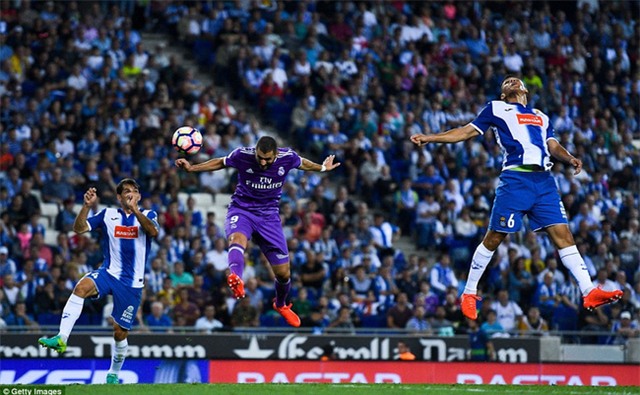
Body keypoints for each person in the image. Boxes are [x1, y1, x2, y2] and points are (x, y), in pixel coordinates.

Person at [410, 77, 623, 320]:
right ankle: (469, 293)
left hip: (544, 181)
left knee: (564, 236)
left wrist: (570, 157)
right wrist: (430, 137)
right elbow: (465, 131)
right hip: (515, 179)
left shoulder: (541, 116)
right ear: (503, 94)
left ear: (525, 91)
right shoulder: (496, 108)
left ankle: (589, 291)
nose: (511, 82)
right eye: (506, 82)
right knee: (495, 237)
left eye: (515, 81)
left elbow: (552, 145)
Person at [175, 135, 340, 327]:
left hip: (269, 217)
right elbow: (220, 162)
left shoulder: (288, 157)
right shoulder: (242, 155)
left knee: (284, 274)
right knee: (237, 239)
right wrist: (193, 168)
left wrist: (322, 167)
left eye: (267, 159)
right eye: (259, 157)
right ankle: (236, 277)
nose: (262, 162)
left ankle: (281, 305)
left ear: (276, 155)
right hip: (242, 210)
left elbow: (304, 164)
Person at [38, 179, 159, 384]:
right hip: (109, 272)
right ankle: (61, 338)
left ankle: (113, 373)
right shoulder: (108, 214)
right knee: (81, 287)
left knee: (120, 332)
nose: (131, 194)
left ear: (139, 196)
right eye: (126, 192)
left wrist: (136, 210)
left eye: (135, 191)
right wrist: (85, 207)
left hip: (131, 283)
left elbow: (153, 232)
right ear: (119, 197)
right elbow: (79, 228)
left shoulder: (148, 215)